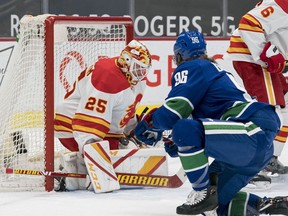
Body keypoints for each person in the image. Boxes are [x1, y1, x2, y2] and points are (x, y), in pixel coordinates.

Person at [133, 30, 288, 215]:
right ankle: (267, 205)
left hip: (251, 128)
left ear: (180, 55)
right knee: (213, 207)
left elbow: (172, 114)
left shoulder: (193, 67)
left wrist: (152, 123)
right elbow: (191, 136)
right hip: (253, 143)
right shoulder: (212, 72)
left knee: (184, 131)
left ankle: (202, 192)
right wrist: (175, 140)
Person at [54, 39, 152, 191]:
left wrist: (133, 131)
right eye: (138, 68)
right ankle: (76, 173)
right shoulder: (107, 75)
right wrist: (98, 164)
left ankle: (81, 168)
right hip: (72, 123)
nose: (141, 74)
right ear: (125, 61)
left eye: (143, 70)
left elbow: (124, 110)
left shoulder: (135, 79)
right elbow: (88, 126)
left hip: (102, 127)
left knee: (130, 156)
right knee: (114, 163)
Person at [225, 0, 288, 178]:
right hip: (253, 60)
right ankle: (250, 165)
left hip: (263, 62)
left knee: (285, 103)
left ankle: (269, 157)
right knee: (268, 113)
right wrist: (267, 54)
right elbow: (249, 23)